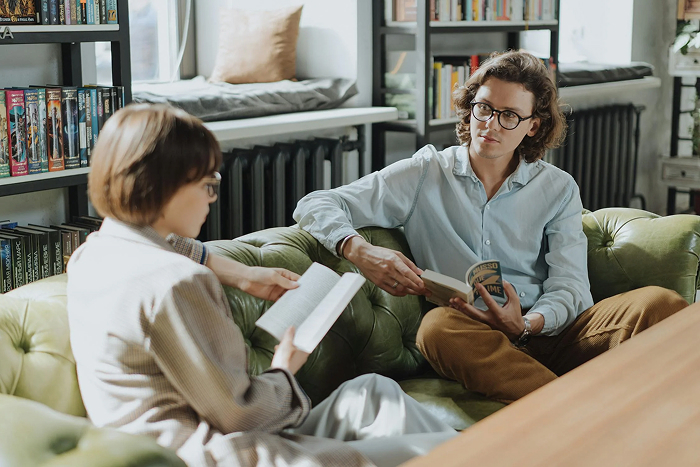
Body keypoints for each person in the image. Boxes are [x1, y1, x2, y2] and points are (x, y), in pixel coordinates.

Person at [66, 103, 455, 467]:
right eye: (206, 184)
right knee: (442, 452)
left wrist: (242, 273)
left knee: (373, 392)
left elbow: (173, 245)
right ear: (163, 187)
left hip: (197, 437)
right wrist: (285, 367)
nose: (211, 199)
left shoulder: (93, 254)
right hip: (212, 453)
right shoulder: (177, 285)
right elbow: (240, 412)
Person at [293, 50, 688, 404]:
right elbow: (317, 202)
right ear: (469, 108)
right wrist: (358, 249)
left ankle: (571, 401)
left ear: (533, 126)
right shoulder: (424, 173)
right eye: (484, 108)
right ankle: (574, 408)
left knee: (660, 303)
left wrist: (529, 323)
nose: (491, 125)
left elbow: (571, 288)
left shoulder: (556, 188)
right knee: (435, 328)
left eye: (509, 115)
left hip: (551, 332)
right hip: (475, 339)